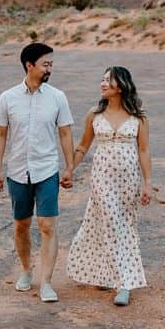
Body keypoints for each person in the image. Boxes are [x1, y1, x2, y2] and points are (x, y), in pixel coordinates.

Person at [0, 42, 75, 303]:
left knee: (47, 225)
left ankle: (47, 282)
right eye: (45, 64)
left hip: (47, 169)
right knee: (22, 225)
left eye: (51, 63)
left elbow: (65, 132)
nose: (50, 68)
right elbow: (0, 134)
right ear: (30, 65)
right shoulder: (7, 98)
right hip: (17, 171)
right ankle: (26, 271)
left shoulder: (57, 97)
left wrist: (69, 166)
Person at [66, 66, 151, 306]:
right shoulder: (94, 114)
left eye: (108, 80)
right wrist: (70, 168)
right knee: (113, 223)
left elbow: (144, 150)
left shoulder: (139, 117)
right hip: (102, 178)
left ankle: (104, 273)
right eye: (102, 80)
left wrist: (147, 183)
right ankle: (124, 282)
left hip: (128, 181)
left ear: (121, 86)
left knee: (119, 225)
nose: (103, 84)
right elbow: (83, 146)